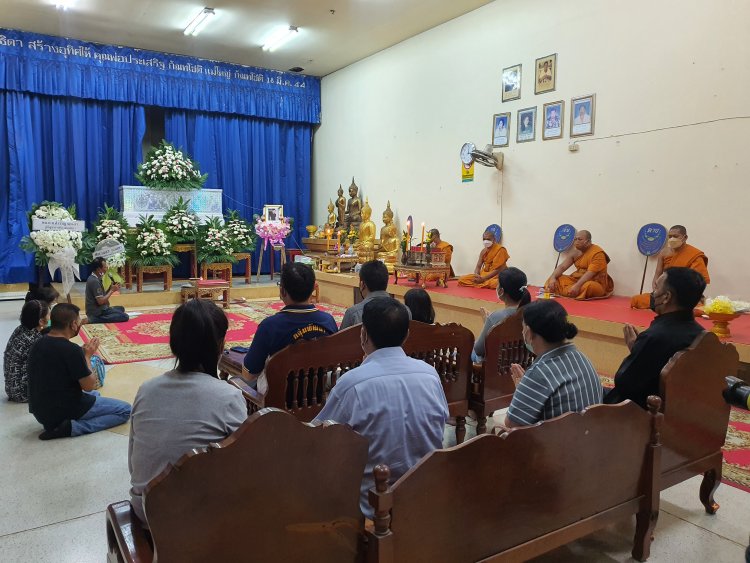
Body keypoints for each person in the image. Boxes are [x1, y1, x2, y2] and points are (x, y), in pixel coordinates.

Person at [313, 297, 448, 517]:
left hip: (369, 508)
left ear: (363, 334)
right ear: (406, 335)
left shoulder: (353, 383)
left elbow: (318, 437)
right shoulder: (429, 374)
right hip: (423, 497)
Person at [128, 299, 247, 527]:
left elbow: (134, 467)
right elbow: (242, 468)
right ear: (220, 345)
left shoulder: (146, 390)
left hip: (146, 510)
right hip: (198, 520)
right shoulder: (228, 396)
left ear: (174, 345)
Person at [27, 303, 131, 440]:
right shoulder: (71, 350)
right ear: (73, 325)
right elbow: (89, 386)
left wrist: (80, 356)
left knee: (96, 395)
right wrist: (86, 356)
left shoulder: (38, 343)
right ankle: (72, 428)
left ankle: (60, 423)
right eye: (78, 321)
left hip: (41, 412)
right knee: (125, 410)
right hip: (64, 410)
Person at [606, 268, 706, 408]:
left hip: (643, 415)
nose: (653, 293)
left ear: (666, 297)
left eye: (656, 288)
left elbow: (625, 384)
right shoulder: (702, 334)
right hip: (683, 411)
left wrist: (636, 349)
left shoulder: (654, 337)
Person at [502, 300, 602, 428]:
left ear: (528, 332)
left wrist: (521, 390)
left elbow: (513, 425)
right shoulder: (582, 358)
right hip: (588, 441)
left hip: (556, 446)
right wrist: (526, 390)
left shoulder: (539, 373)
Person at [243, 263, 337, 395]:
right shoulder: (328, 320)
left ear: (282, 291)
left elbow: (249, 374)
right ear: (313, 289)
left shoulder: (270, 326)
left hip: (279, 396)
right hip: (315, 390)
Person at [631, 225, 710, 309]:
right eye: (670, 236)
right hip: (666, 293)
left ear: (685, 237)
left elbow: (699, 281)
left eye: (675, 236)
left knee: (694, 307)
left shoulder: (694, 255)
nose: (672, 239)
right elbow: (658, 274)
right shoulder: (664, 253)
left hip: (685, 294)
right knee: (636, 300)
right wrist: (657, 290)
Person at [473, 267, 531, 362]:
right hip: (521, 363)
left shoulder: (496, 317)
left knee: (471, 348)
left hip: (495, 367)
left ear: (501, 291)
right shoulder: (531, 312)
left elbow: (479, 349)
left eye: (498, 284)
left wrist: (488, 322)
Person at [545, 230, 614, 300]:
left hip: (594, 282)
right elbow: (562, 267)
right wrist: (553, 277)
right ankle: (570, 292)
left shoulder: (597, 253)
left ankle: (566, 291)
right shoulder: (575, 252)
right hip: (576, 280)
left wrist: (577, 286)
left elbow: (590, 273)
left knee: (589, 286)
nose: (576, 242)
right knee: (553, 279)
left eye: (579, 239)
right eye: (575, 239)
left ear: (588, 242)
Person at [4, 300, 50, 402]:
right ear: (41, 321)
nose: (50, 318)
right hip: (23, 393)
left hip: (11, 388)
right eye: (49, 315)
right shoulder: (35, 340)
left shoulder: (20, 329)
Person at [340, 259, 391, 328]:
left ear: (362, 284)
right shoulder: (405, 311)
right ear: (386, 282)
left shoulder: (353, 313)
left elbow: (341, 338)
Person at [86, 257, 129, 323]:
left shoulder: (97, 277)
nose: (106, 269)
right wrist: (111, 290)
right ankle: (93, 319)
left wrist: (110, 288)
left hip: (101, 308)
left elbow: (101, 294)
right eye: (105, 267)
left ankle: (104, 316)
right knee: (125, 316)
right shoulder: (94, 281)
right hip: (97, 311)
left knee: (121, 308)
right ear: (98, 269)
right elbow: (100, 301)